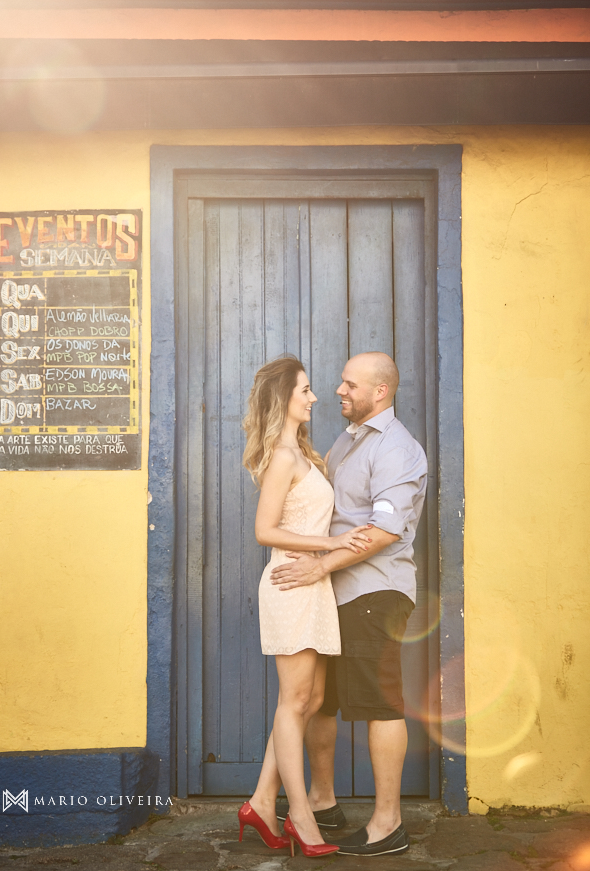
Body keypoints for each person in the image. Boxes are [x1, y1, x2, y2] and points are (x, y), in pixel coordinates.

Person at [270, 352, 428, 858]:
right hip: (333, 593)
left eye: (349, 383)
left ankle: (388, 823)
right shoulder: (346, 441)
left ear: (379, 391)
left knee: (380, 703)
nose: (339, 390)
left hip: (374, 592)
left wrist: (319, 565)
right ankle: (321, 800)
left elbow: (383, 531)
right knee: (321, 703)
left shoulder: (398, 450)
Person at [237, 356, 370, 859]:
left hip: (312, 587)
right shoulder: (282, 456)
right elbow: (265, 530)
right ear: (284, 398)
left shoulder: (301, 451)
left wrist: (335, 542)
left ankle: (260, 801)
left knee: (309, 701)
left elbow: (310, 526)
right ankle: (299, 816)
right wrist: (330, 547)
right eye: (306, 390)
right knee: (295, 702)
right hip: (291, 584)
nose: (314, 397)